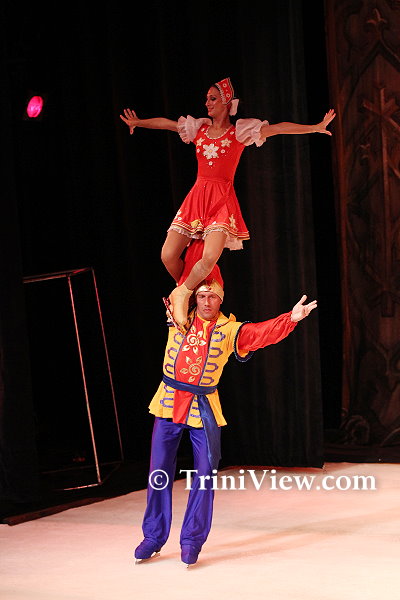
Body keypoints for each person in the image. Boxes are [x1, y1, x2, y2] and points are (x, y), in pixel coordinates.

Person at [120, 77, 335, 329]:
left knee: (209, 257)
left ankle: (183, 294)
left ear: (226, 103)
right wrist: (138, 122)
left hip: (221, 200)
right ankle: (188, 291)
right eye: (206, 99)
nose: (207, 103)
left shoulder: (239, 132)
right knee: (167, 255)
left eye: (212, 99)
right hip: (197, 197)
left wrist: (314, 127)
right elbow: (167, 124)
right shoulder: (198, 129)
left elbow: (278, 128)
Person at [134, 274, 317, 567]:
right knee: (159, 472)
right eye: (202, 296)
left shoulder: (229, 330)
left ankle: (192, 540)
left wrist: (290, 319)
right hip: (168, 401)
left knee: (205, 475)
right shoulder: (178, 317)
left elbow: (259, 334)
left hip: (203, 406)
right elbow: (181, 269)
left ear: (221, 300)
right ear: (194, 298)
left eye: (213, 297)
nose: (207, 302)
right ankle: (154, 537)